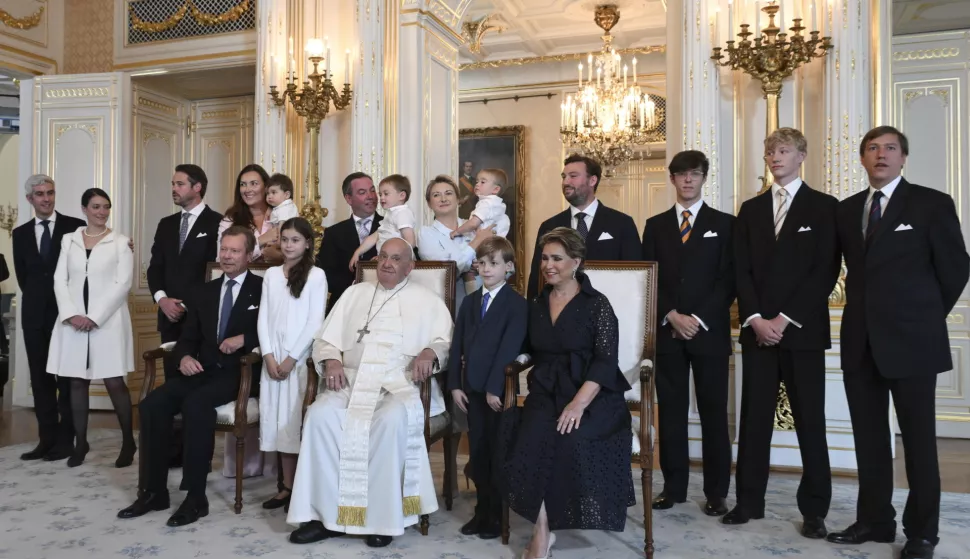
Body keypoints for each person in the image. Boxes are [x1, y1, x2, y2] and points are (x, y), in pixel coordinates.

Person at [827, 126, 969, 559]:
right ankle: (875, 521)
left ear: (903, 157)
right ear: (862, 159)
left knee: (920, 443)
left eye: (890, 148)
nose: (881, 155)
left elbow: (955, 270)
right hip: (860, 344)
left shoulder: (931, 203)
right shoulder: (848, 209)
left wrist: (923, 317)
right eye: (872, 148)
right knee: (868, 440)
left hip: (913, 343)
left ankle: (922, 533)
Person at [287, 238, 452, 548]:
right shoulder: (354, 294)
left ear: (410, 266)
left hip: (397, 385)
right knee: (320, 416)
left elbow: (445, 341)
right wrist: (333, 359)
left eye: (396, 259)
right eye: (383, 257)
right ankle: (323, 517)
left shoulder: (427, 299)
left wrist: (429, 351)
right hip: (350, 381)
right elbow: (324, 340)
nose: (387, 263)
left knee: (390, 421)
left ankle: (383, 520)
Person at [728, 128, 839, 539]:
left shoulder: (825, 207)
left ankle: (814, 511)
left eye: (784, 150)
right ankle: (748, 502)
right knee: (753, 421)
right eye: (770, 150)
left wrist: (783, 319)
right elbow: (741, 269)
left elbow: (825, 271)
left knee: (810, 422)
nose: (775, 157)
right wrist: (756, 318)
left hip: (801, 332)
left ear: (801, 156)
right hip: (757, 332)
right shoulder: (751, 209)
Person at [117, 227, 263, 527]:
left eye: (235, 251)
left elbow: (275, 330)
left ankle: (196, 497)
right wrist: (183, 357)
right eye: (224, 249)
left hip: (239, 372)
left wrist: (244, 338)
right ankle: (153, 491)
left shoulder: (263, 289)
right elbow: (189, 337)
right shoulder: (203, 291)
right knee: (151, 405)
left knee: (196, 405)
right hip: (202, 369)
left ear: (249, 255)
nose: (227, 255)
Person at [504, 227, 635, 559]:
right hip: (546, 392)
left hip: (592, 396)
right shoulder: (535, 304)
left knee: (568, 440)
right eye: (545, 257)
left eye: (557, 258)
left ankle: (541, 533)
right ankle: (543, 531)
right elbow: (526, 349)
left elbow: (606, 362)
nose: (548, 265)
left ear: (576, 261)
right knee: (532, 437)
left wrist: (577, 405)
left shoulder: (597, 305)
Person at [641, 150, 735, 516]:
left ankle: (716, 493)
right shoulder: (656, 224)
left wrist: (695, 318)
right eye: (681, 175)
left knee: (714, 416)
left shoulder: (725, 224)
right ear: (672, 179)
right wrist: (671, 315)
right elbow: (651, 276)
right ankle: (674, 487)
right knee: (672, 416)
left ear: (703, 177)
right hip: (668, 334)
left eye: (694, 174)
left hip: (708, 334)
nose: (687, 180)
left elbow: (728, 279)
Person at [45, 189, 135, 468]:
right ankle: (80, 443)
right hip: (72, 320)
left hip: (107, 320)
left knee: (114, 381)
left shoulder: (120, 243)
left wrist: (94, 317)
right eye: (95, 206)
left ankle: (128, 442)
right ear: (84, 209)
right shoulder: (68, 240)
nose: (102, 212)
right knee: (75, 381)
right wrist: (72, 314)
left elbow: (123, 284)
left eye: (106, 207)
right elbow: (60, 279)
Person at [448, 236, 527, 540]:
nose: (486, 268)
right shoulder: (469, 302)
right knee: (478, 452)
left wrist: (496, 387)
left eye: (494, 263)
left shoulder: (516, 304)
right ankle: (481, 511)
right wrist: (455, 384)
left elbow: (510, 348)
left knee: (498, 452)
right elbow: (458, 346)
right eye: (481, 263)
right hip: (472, 390)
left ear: (509, 267)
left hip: (497, 393)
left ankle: (496, 513)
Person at [12, 174, 86, 461]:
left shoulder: (74, 227)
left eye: (50, 192)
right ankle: (46, 440)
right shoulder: (19, 234)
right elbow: (23, 277)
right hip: (34, 316)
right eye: (40, 194)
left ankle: (67, 441)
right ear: (30, 199)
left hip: (66, 315)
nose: (46, 198)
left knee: (67, 380)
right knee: (42, 381)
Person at [257, 217, 328, 511]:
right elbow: (263, 318)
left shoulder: (316, 275)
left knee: (294, 422)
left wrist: (290, 358)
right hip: (272, 360)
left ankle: (300, 488)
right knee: (276, 423)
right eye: (284, 239)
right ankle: (285, 487)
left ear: (307, 243)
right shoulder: (272, 275)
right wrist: (269, 356)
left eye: (295, 240)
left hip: (298, 362)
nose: (288, 245)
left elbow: (315, 322)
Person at [527, 154, 640, 298]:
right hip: (559, 311)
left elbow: (635, 275)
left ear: (592, 180)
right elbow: (537, 278)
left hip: (608, 308)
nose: (566, 182)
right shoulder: (550, 226)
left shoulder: (622, 223)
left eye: (573, 176)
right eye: (564, 177)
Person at [417, 175, 495, 313]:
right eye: (436, 195)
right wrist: (477, 242)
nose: (443, 199)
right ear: (429, 203)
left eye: (448, 193)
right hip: (446, 306)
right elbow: (447, 269)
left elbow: (500, 261)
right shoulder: (426, 234)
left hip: (486, 301)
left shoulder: (475, 227)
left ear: (458, 199)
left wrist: (484, 263)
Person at [315, 172, 382, 311]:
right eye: (362, 192)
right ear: (349, 198)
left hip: (382, 302)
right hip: (344, 305)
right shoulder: (333, 233)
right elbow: (325, 274)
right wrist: (357, 285)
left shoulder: (391, 226)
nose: (370, 196)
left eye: (372, 190)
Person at [218, 164, 283, 264]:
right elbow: (221, 259)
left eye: (254, 183)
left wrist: (280, 256)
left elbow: (297, 252)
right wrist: (260, 241)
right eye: (243, 184)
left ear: (266, 187)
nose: (247, 190)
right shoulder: (230, 220)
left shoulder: (282, 214)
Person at [349, 174, 416, 268]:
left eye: (386, 194)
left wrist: (388, 257)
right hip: (388, 262)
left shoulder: (402, 213)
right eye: (380, 194)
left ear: (402, 195)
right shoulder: (391, 214)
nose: (382, 198)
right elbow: (375, 236)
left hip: (400, 264)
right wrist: (357, 252)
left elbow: (410, 242)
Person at [450, 168, 511, 239]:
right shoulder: (498, 204)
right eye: (477, 181)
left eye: (482, 182)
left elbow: (473, 223)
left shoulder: (486, 203)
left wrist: (457, 231)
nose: (477, 184)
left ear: (496, 189)